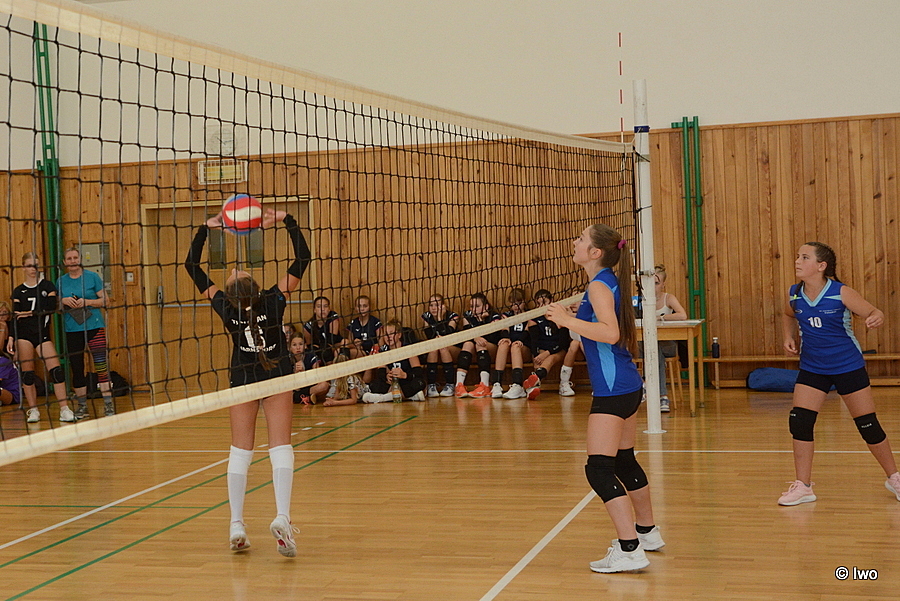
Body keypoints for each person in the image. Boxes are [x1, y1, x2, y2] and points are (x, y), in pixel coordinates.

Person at [185, 207, 310, 557]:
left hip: (243, 380)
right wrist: (286, 220)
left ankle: (236, 524)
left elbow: (191, 267)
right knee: (280, 447)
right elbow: (303, 258)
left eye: (232, 274)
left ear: (232, 293)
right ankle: (282, 517)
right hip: (276, 377)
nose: (234, 268)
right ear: (254, 287)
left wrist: (206, 229)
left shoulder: (226, 307)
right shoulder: (273, 298)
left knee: (240, 452)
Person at [546, 224, 664, 573]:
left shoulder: (598, 285)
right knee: (624, 461)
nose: (575, 242)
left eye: (581, 239)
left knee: (598, 469)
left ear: (595, 252)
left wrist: (567, 319)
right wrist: (574, 315)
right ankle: (647, 533)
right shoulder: (607, 280)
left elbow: (610, 333)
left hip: (613, 388)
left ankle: (629, 550)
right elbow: (601, 322)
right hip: (626, 383)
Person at [778, 242, 900, 506]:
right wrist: (788, 336)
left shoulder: (841, 292)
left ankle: (894, 478)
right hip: (812, 367)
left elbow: (873, 311)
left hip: (847, 366)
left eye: (805, 257)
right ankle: (803, 486)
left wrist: (877, 316)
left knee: (868, 424)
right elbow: (788, 314)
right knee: (800, 422)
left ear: (821, 266)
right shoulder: (794, 294)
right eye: (798, 256)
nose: (798, 261)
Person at [12, 253, 75, 423]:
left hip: (42, 334)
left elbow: (50, 307)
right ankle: (33, 410)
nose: (33, 269)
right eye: (29, 265)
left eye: (36, 265)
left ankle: (64, 409)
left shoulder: (47, 286)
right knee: (27, 374)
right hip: (24, 335)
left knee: (56, 371)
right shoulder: (18, 290)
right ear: (23, 267)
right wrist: (12, 338)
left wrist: (29, 313)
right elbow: (16, 316)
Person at [57, 248, 114, 419]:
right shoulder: (61, 281)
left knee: (101, 365)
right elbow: (55, 306)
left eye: (75, 257)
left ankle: (108, 404)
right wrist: (63, 300)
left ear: (80, 259)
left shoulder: (92, 277)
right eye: (69, 258)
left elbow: (106, 301)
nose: (73, 261)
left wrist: (86, 302)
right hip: (72, 329)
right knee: (77, 367)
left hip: (94, 326)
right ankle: (82, 406)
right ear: (65, 262)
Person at [645, 264, 687, 412]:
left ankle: (648, 386)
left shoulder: (668, 298)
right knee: (654, 351)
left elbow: (682, 315)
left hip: (668, 344)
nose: (653, 287)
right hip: (647, 346)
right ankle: (663, 396)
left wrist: (661, 317)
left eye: (656, 283)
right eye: (650, 283)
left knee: (656, 349)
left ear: (663, 284)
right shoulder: (641, 300)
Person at [521, 289, 570, 400]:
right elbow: (534, 342)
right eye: (538, 304)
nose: (541, 306)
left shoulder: (559, 316)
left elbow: (562, 343)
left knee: (550, 358)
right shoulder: (534, 318)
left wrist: (547, 353)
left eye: (544, 302)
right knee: (538, 358)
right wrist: (537, 355)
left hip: (559, 349)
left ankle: (534, 379)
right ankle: (533, 388)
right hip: (543, 348)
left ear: (551, 301)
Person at [362, 320, 425, 403]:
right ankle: (410, 397)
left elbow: (418, 373)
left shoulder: (408, 349)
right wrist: (387, 376)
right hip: (392, 384)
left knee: (419, 383)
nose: (388, 337)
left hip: (406, 382)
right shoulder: (383, 351)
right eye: (386, 334)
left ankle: (383, 398)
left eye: (391, 333)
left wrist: (405, 375)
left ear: (399, 335)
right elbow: (381, 373)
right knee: (375, 384)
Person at [454, 293, 503, 398]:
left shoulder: (494, 316)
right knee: (467, 344)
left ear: (486, 307)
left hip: (492, 347)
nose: (473, 309)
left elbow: (493, 337)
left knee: (481, 344)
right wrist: (475, 337)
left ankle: (485, 385)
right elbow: (466, 334)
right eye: (472, 306)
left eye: (477, 306)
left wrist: (482, 321)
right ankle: (459, 385)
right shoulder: (468, 315)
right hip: (475, 346)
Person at [491, 288, 530, 399]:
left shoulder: (530, 314)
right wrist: (506, 338)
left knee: (515, 346)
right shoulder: (506, 315)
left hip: (524, 348)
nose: (516, 306)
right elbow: (505, 329)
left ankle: (518, 385)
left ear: (524, 301)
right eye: (513, 303)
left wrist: (520, 340)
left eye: (519, 303)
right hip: (510, 348)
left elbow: (527, 331)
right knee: (503, 343)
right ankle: (497, 384)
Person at [421, 294, 460, 397]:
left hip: (453, 348)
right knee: (434, 347)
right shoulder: (426, 317)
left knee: (442, 346)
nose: (434, 308)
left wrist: (439, 319)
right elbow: (430, 336)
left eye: (437, 305)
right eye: (431, 305)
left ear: (443, 306)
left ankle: (450, 384)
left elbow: (447, 335)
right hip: (435, 348)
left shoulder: (453, 316)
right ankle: (431, 385)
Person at [288, 333, 328, 405]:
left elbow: (318, 377)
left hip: (309, 386)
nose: (298, 347)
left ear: (305, 346)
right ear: (289, 348)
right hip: (295, 387)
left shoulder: (311, 355)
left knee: (324, 385)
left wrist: (305, 373)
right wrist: (295, 374)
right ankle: (306, 398)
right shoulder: (287, 359)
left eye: (300, 344)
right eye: (294, 345)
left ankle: (299, 397)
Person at [302, 296, 343, 364]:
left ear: (329, 309)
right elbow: (310, 346)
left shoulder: (333, 316)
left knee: (330, 349)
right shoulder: (308, 326)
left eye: (325, 306)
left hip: (334, 346)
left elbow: (331, 341)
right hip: (319, 351)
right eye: (319, 307)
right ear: (314, 310)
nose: (322, 309)